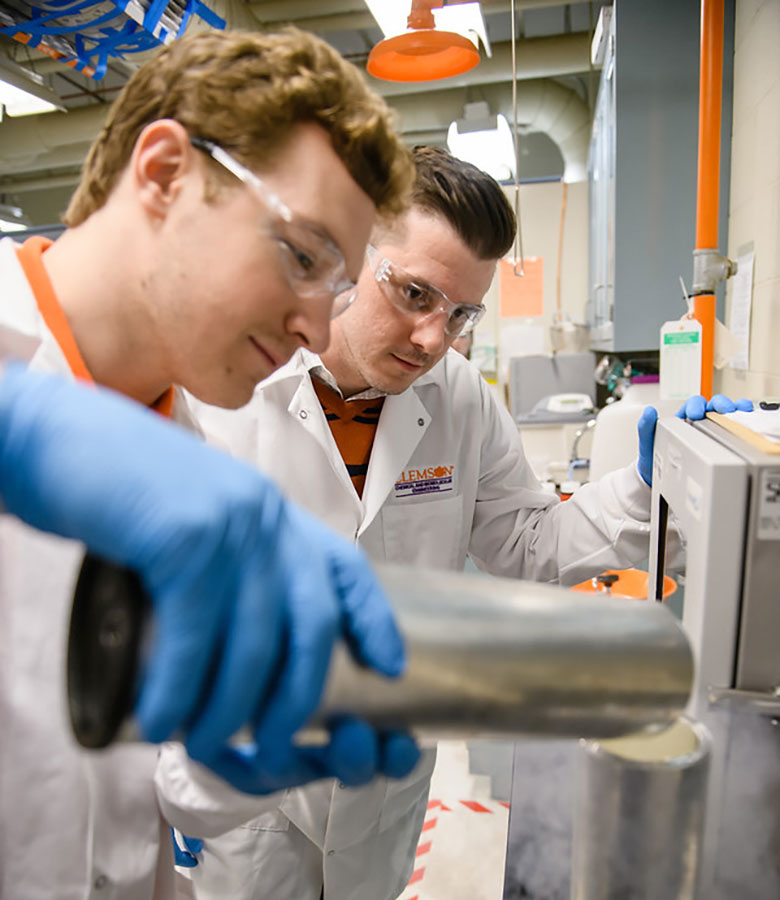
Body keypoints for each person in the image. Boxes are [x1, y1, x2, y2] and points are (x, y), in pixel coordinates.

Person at [171, 146, 752, 900]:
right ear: (352, 256)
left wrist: (651, 486)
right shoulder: (223, 387)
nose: (433, 340)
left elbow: (529, 544)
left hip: (387, 774)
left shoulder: (459, 397)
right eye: (414, 294)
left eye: (461, 313)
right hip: (246, 782)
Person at [0, 27, 419, 899]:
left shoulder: (198, 453)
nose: (317, 326)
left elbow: (147, 786)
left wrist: (258, 738)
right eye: (302, 256)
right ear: (163, 174)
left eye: (336, 288)